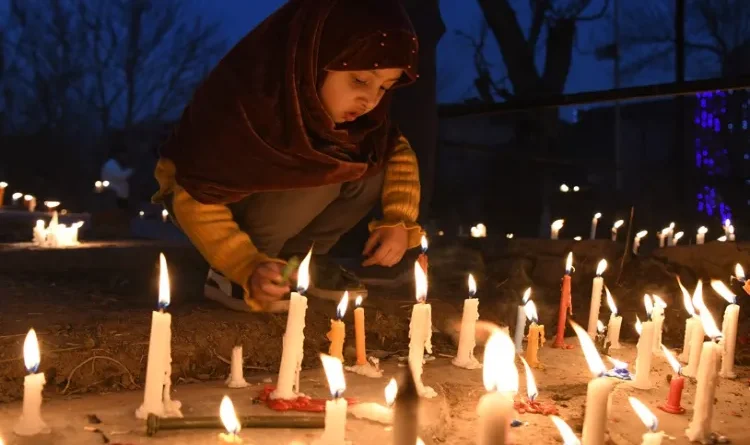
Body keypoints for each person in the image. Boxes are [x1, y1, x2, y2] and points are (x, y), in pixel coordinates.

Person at [153, 0, 424, 312]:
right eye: (360, 80)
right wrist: (244, 264)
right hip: (210, 205)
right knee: (324, 170)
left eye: (384, 88)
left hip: (283, 199)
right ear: (313, 58)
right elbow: (195, 195)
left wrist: (399, 220)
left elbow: (394, 150)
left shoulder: (359, 125)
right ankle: (235, 274)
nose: (370, 100)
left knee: (369, 164)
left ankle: (298, 263)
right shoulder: (246, 110)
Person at [101, 143, 134, 211]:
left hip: (119, 194)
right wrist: (131, 170)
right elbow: (120, 176)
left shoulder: (113, 164)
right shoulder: (111, 164)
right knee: (118, 214)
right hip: (115, 195)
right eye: (124, 155)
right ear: (119, 154)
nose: (125, 157)